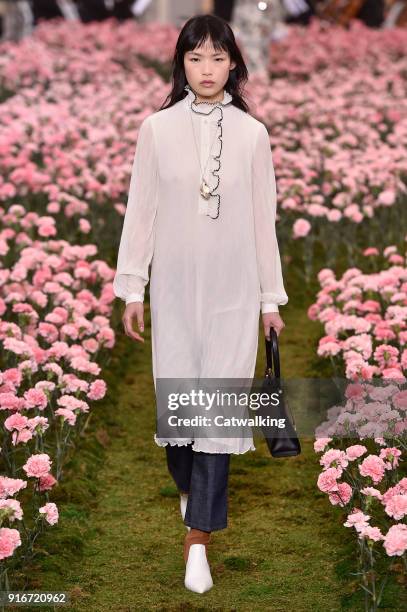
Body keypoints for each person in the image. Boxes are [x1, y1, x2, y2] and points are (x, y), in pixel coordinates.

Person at [113, 13, 288, 593]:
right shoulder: (156, 129)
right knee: (181, 414)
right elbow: (141, 212)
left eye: (218, 57)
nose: (207, 69)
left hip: (234, 293)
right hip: (175, 291)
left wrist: (270, 299)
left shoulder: (252, 134)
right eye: (196, 57)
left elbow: (265, 224)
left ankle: (198, 543)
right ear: (181, 63)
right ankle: (191, 497)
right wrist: (133, 286)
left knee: (215, 414)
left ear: (234, 63)